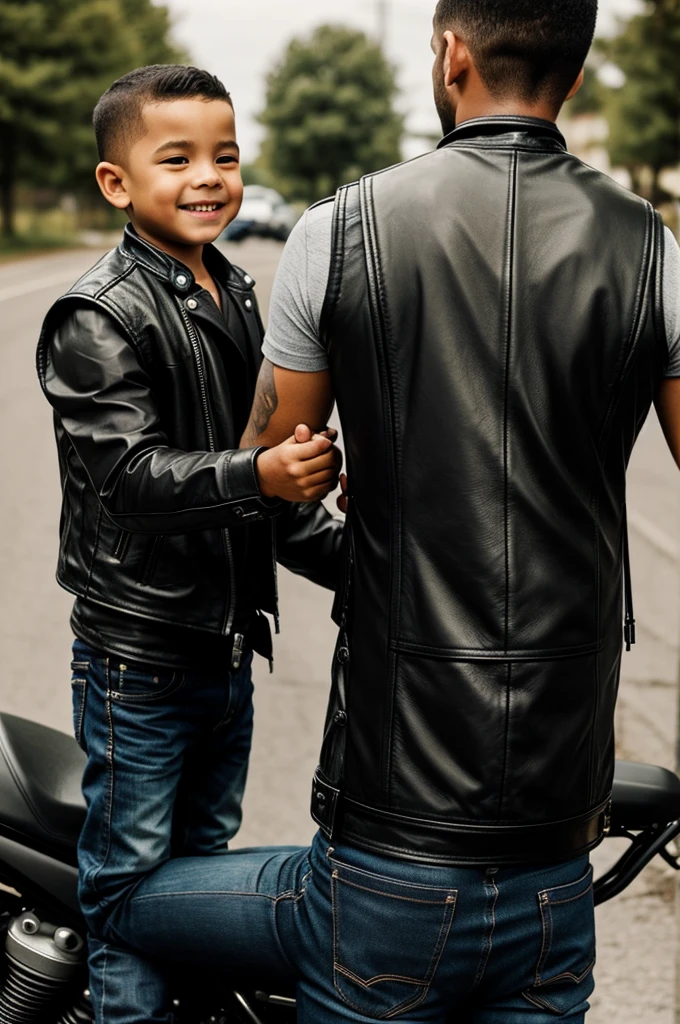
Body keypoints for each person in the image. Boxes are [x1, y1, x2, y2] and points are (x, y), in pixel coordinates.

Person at [89, 3, 680, 1022]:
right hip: (554, 858)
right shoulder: (652, 250)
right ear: (574, 79)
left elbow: (264, 473)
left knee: (126, 898)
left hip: (383, 849)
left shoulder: (338, 229)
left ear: (450, 55)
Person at [36, 65, 343, 1024]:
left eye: (225, 156)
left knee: (203, 886)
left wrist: (377, 570)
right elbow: (129, 482)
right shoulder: (96, 314)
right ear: (116, 184)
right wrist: (260, 476)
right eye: (177, 160)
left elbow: (266, 484)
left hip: (223, 648)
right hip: (139, 657)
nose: (209, 177)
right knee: (128, 889)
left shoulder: (237, 292)